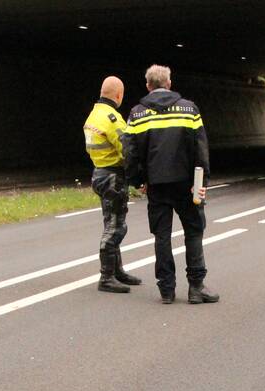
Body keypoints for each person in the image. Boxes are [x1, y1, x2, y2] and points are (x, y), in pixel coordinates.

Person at [124, 64, 219, 304]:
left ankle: (166, 290)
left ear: (148, 86)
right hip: (187, 184)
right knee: (194, 232)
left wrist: (138, 181)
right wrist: (201, 181)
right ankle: (196, 288)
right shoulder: (189, 109)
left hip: (156, 186)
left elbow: (130, 153)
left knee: (162, 236)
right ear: (169, 83)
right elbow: (201, 148)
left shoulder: (136, 114)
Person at [83, 75, 142, 293]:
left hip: (99, 173)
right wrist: (138, 178)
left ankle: (117, 271)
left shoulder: (92, 116)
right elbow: (127, 151)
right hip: (113, 177)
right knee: (117, 227)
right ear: (119, 95)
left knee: (110, 221)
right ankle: (106, 277)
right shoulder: (112, 118)